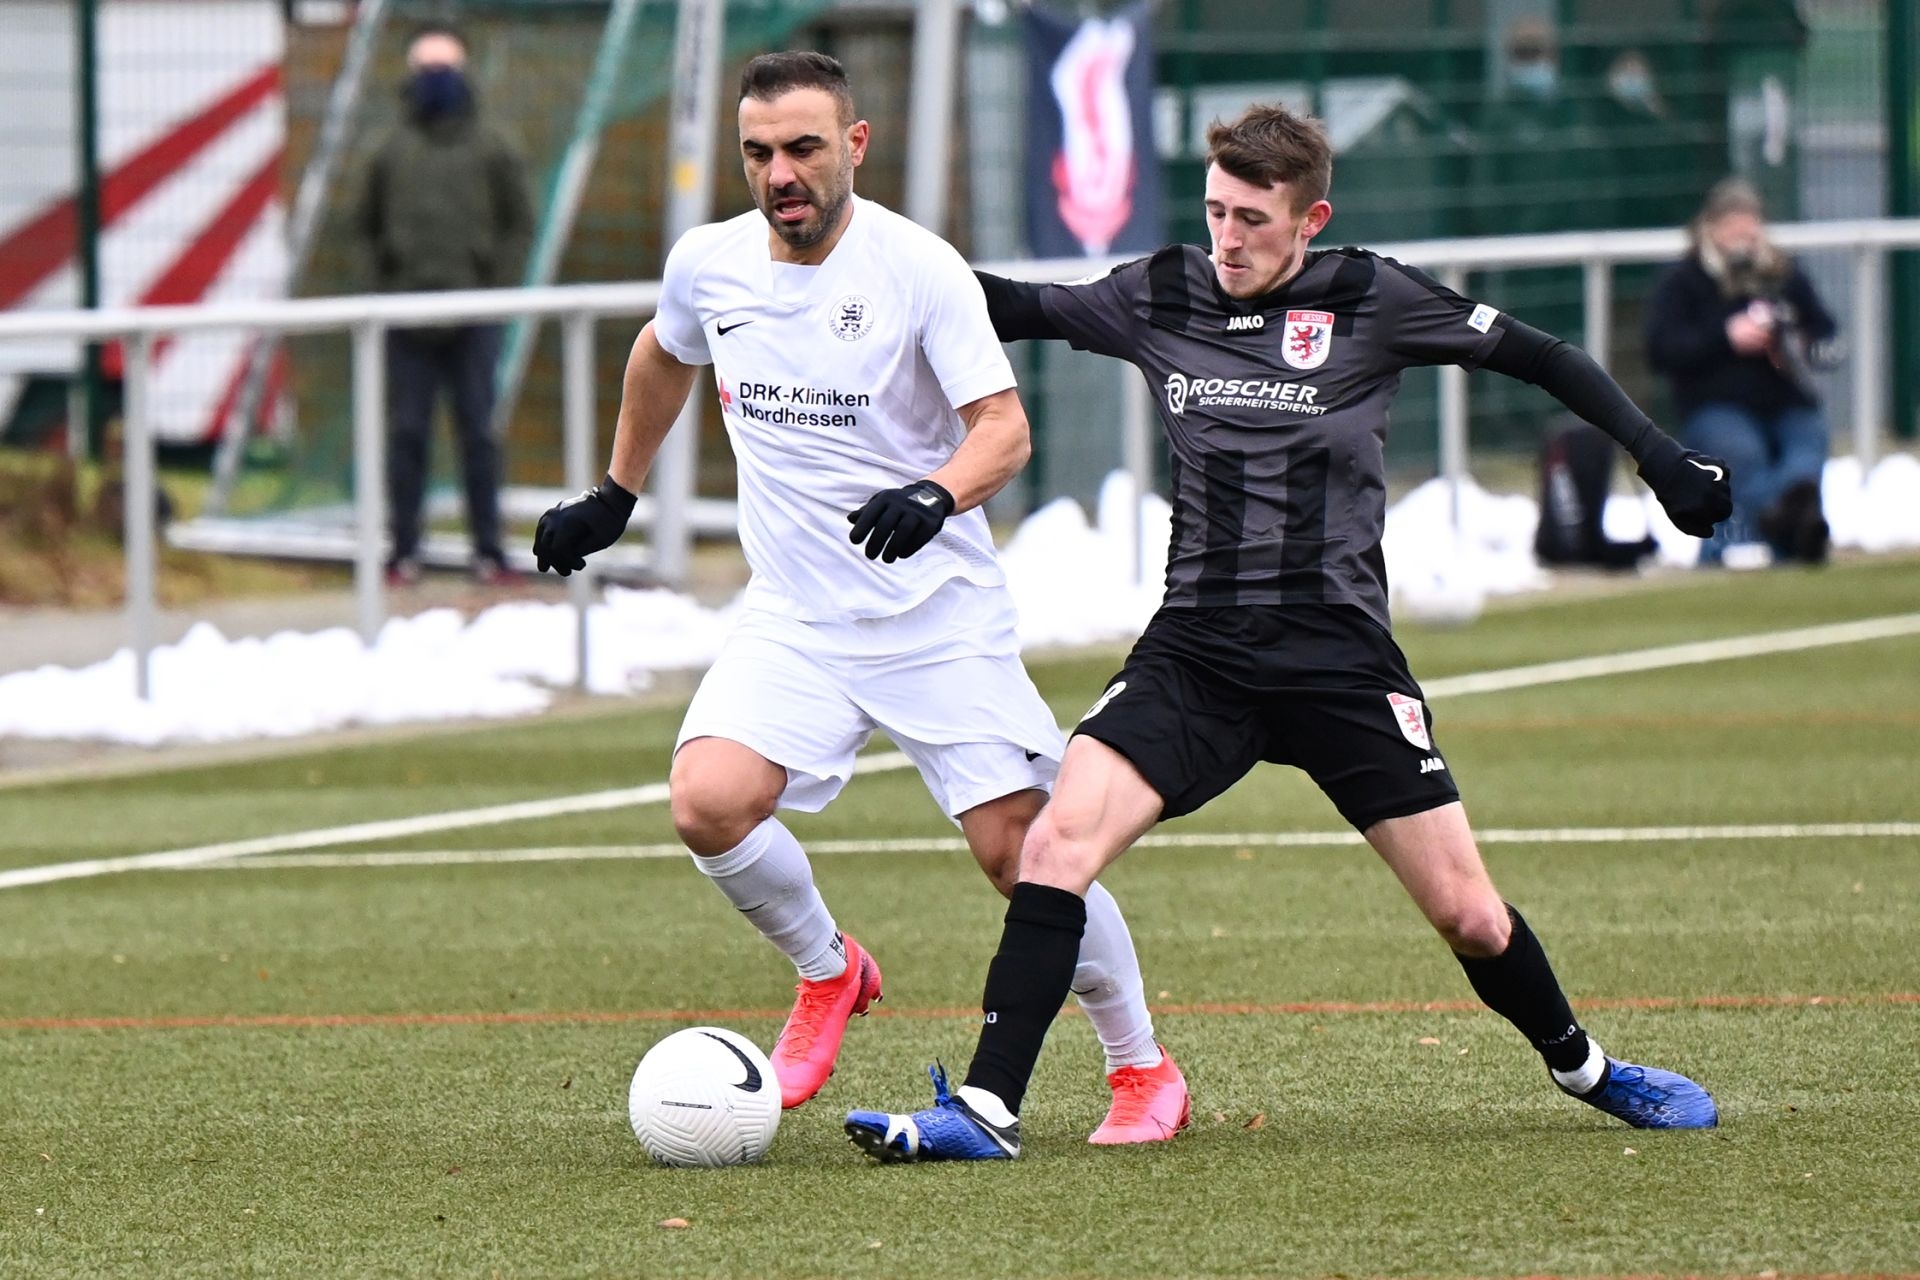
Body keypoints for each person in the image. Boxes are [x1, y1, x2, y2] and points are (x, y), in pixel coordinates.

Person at [845, 103, 1731, 1163]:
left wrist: (1659, 456)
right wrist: (865, 255)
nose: (1227, 239)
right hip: (1198, 650)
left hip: (1338, 658)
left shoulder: (1373, 296)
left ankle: (1585, 1067)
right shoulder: (1162, 288)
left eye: (1253, 219)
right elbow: (1011, 305)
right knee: (1053, 843)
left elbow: (1544, 356)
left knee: (1470, 916)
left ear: (1311, 220)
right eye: (1216, 211)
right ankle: (986, 1109)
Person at [529, 53, 1187, 1142]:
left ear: (855, 144)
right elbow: (661, 351)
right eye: (758, 153)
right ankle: (829, 970)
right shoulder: (709, 264)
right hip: (796, 616)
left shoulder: (920, 268)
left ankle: (1142, 1065)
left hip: (938, 621)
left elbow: (1004, 429)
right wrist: (615, 493)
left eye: (803, 148)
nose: (780, 174)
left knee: (1024, 856)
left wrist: (937, 492)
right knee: (707, 801)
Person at [355, 22, 533, 585]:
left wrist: (491, 285)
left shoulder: (494, 146)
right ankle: (403, 551)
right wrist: (387, 288)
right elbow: (363, 229)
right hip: (405, 317)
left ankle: (489, 551)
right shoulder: (389, 150)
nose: (436, 79)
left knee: (479, 432)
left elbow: (519, 224)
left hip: (475, 317)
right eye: (427, 68)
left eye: (445, 67)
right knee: (407, 433)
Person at [1646, 178, 1840, 566]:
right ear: (1712, 227)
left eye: (1750, 226)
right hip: (1714, 403)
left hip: (1785, 400)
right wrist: (1727, 336)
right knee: (1742, 452)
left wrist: (1795, 343)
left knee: (1808, 442)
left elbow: (1825, 336)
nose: (1743, 237)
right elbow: (1661, 350)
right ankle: (1789, 528)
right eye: (1734, 226)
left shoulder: (1782, 276)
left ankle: (1785, 519)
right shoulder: (1684, 280)